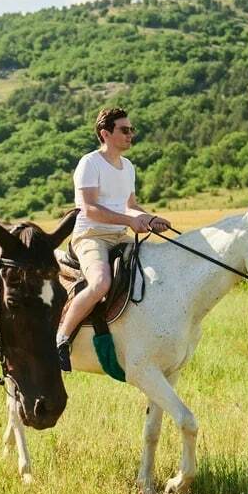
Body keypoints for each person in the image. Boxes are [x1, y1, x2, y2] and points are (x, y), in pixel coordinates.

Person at [55, 107, 169, 371]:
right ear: (105, 134)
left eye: (132, 130)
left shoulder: (127, 167)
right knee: (101, 283)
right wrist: (130, 221)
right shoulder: (90, 163)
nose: (131, 135)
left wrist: (151, 219)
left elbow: (130, 205)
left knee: (156, 266)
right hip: (90, 236)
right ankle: (61, 337)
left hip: (119, 236)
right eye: (125, 130)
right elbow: (89, 208)